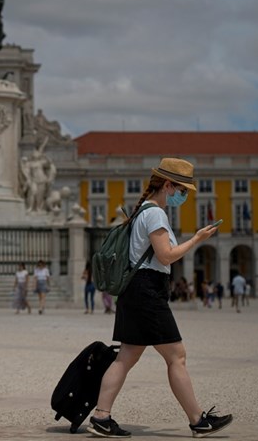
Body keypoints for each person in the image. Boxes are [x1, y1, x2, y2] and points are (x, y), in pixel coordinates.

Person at [88, 158, 232, 439]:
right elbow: (165, 255)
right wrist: (197, 239)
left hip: (135, 290)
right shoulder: (155, 214)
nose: (185, 196)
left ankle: (101, 417)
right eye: (182, 190)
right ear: (167, 185)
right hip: (146, 290)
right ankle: (197, 421)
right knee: (176, 356)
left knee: (126, 357)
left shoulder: (142, 211)